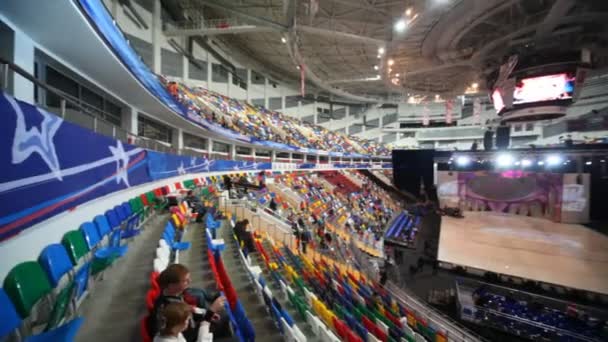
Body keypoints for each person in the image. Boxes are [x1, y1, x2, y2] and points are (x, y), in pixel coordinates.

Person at [148, 264, 228, 342]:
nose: (190, 281)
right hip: (193, 335)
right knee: (224, 318)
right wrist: (210, 313)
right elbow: (188, 334)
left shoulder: (173, 295)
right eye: (185, 281)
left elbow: (190, 309)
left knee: (222, 316)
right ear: (171, 285)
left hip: (194, 326)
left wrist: (206, 313)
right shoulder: (168, 309)